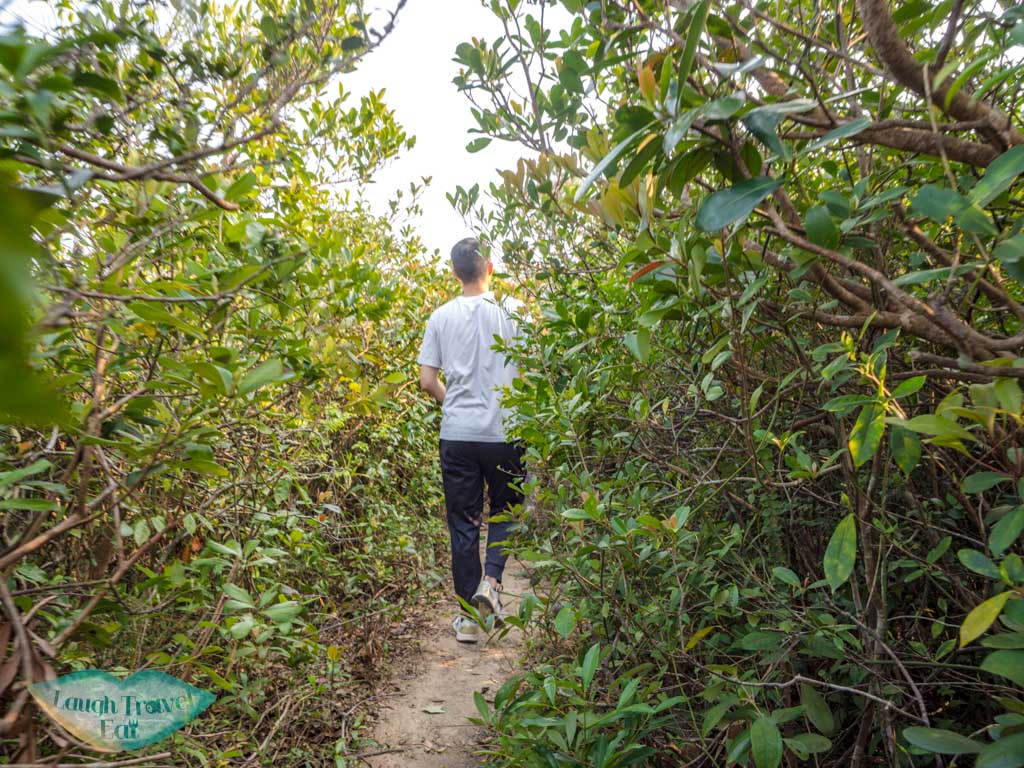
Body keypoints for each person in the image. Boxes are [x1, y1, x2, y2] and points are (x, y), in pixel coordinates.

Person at [417, 237, 526, 644]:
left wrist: (455, 406)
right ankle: (492, 582)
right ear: (491, 268)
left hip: (457, 435)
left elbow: (427, 381)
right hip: (505, 431)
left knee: (463, 524)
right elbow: (532, 372)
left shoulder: (439, 317)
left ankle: (467, 620)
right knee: (506, 507)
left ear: (454, 272)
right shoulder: (513, 312)